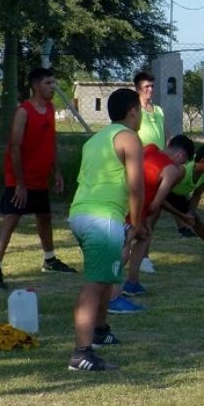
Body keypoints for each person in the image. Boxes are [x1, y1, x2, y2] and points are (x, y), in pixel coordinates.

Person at [67, 88, 145, 371]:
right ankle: (81, 354)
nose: (141, 117)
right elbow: (136, 186)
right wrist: (136, 224)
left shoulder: (95, 140)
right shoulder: (129, 138)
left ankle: (99, 331)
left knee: (103, 276)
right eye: (140, 111)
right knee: (94, 284)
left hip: (80, 214)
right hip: (103, 218)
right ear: (132, 110)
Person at [0, 68, 75, 291]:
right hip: (18, 178)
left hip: (39, 176)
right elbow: (14, 148)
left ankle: (49, 259)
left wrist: (57, 172)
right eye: (48, 83)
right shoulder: (24, 111)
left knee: (45, 216)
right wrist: (19, 183)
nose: (53, 86)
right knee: (12, 218)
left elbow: (51, 141)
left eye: (54, 82)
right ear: (36, 86)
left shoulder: (50, 109)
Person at [107, 135, 195, 314]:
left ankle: (132, 283)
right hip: (130, 213)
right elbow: (156, 204)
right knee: (123, 251)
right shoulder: (170, 170)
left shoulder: (149, 149)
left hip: (119, 202)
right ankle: (111, 297)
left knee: (145, 236)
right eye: (184, 163)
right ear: (181, 156)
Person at [132, 71, 170, 273]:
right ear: (138, 89)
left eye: (152, 86)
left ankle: (144, 253)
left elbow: (167, 134)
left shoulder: (159, 110)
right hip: (142, 164)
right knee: (143, 211)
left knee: (154, 213)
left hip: (158, 165)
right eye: (146, 87)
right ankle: (140, 255)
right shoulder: (135, 110)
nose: (150, 90)